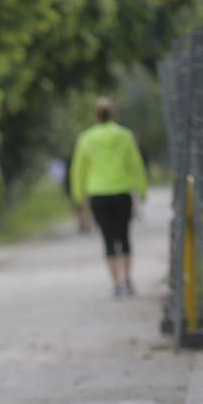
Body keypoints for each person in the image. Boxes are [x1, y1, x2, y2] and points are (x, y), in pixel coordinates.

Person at [69, 97, 148, 298]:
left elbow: (78, 170)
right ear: (113, 113)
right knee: (124, 237)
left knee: (108, 239)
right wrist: (142, 189)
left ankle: (116, 285)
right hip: (122, 191)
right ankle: (128, 279)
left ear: (95, 115)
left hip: (98, 194)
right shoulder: (125, 136)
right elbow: (136, 164)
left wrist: (78, 195)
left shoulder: (86, 138)